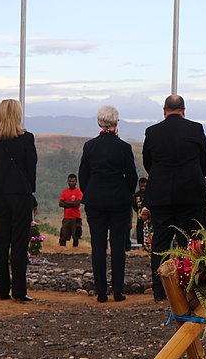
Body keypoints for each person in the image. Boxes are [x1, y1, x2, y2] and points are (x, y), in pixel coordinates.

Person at [142, 94, 206, 301]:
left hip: (161, 197)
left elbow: (148, 163)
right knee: (190, 243)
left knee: (160, 244)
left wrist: (161, 179)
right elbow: (204, 160)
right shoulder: (195, 129)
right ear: (184, 110)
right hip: (190, 196)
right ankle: (188, 288)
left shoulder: (152, 132)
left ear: (164, 111)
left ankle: (160, 291)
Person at [79, 105, 138, 303]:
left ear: (98, 123)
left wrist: (90, 192)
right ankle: (118, 291)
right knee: (118, 245)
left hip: (95, 200)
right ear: (116, 123)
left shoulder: (90, 146)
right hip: (118, 201)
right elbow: (132, 177)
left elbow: (83, 176)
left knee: (98, 245)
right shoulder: (124, 148)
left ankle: (101, 292)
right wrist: (126, 193)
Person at [0, 99, 37, 302]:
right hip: (21, 195)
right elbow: (31, 169)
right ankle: (19, 290)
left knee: (1, 243)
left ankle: (1, 290)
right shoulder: (27, 139)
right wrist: (30, 193)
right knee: (19, 243)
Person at [58, 174, 83, 247]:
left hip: (76, 217)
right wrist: (71, 204)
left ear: (76, 182)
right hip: (66, 217)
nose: (71, 183)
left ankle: (75, 251)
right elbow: (60, 203)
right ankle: (62, 251)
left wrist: (65, 202)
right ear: (67, 182)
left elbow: (76, 203)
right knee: (63, 236)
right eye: (70, 181)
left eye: (73, 181)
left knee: (76, 236)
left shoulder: (78, 192)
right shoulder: (65, 191)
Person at [133, 178, 148, 247]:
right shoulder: (136, 195)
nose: (143, 188)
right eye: (141, 186)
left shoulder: (150, 194)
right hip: (140, 217)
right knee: (139, 230)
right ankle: (140, 245)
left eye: (144, 186)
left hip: (149, 218)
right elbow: (134, 206)